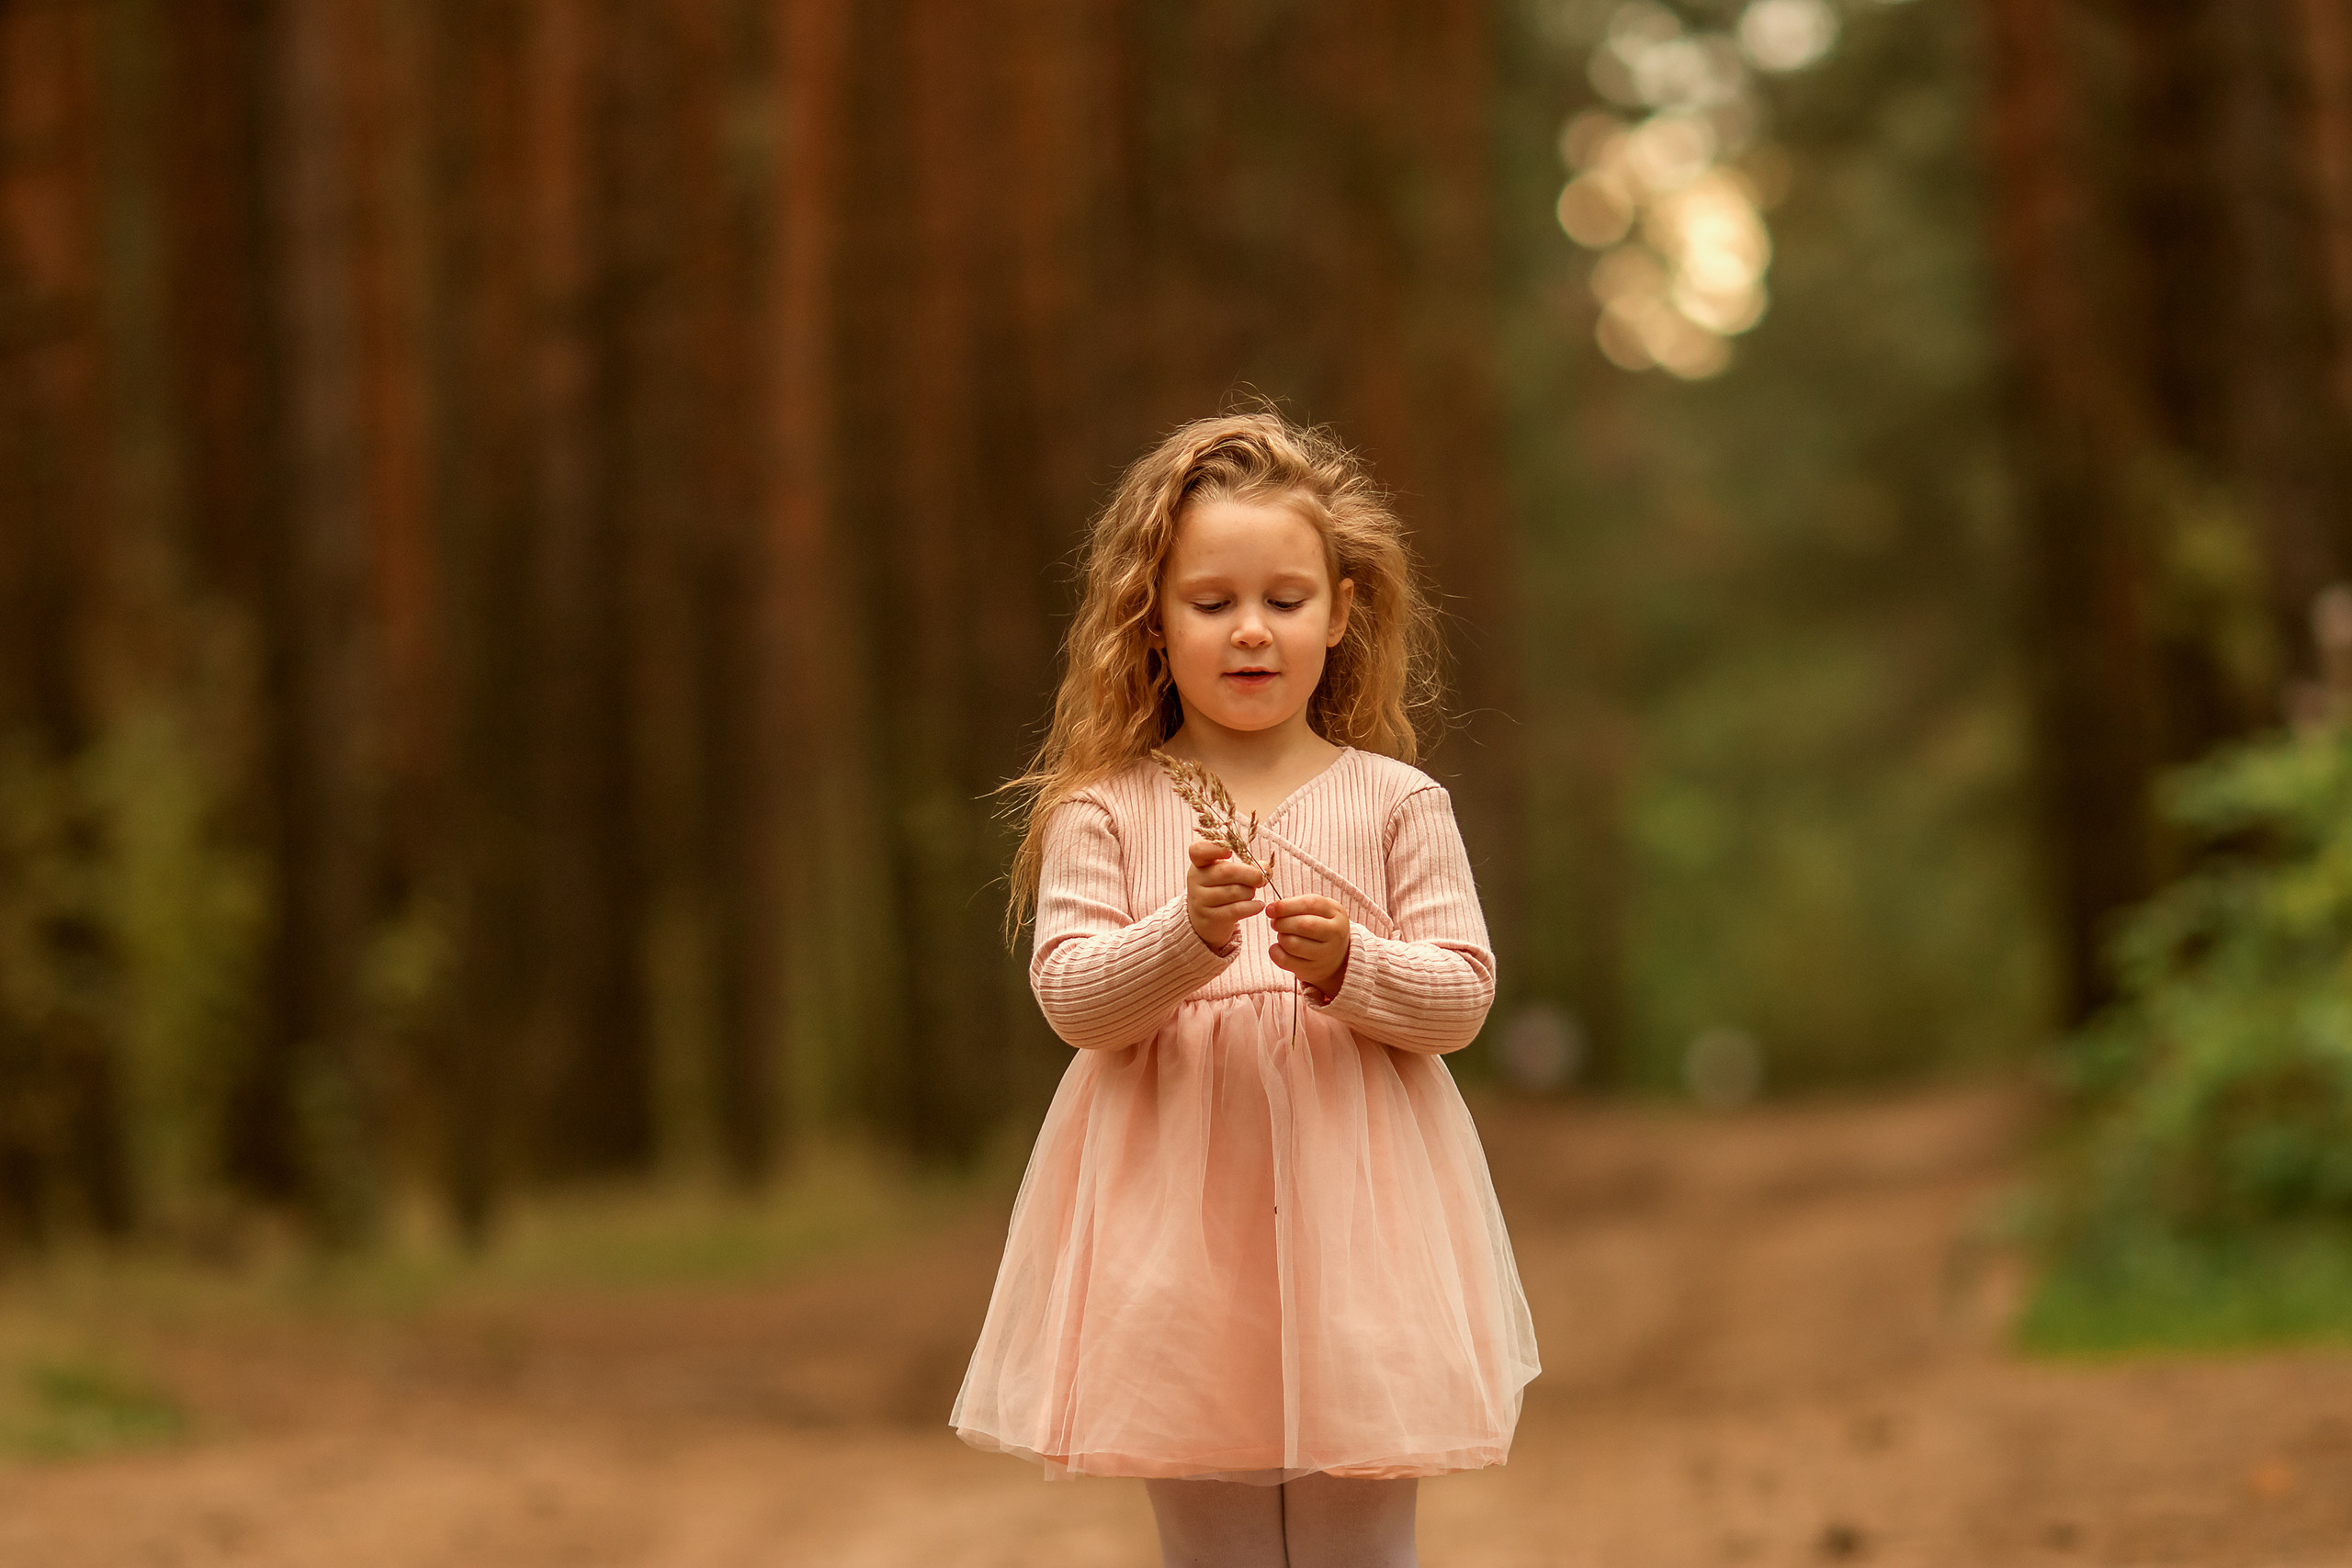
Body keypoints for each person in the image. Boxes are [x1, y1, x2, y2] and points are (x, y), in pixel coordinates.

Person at [952, 410, 1539, 1568]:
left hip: (1360, 1231)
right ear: (1154, 624)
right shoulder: (1103, 808)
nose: (1251, 632)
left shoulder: (1395, 803)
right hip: (1173, 1243)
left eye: (1285, 599)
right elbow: (1074, 1000)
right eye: (1211, 603)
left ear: (1340, 613)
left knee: (1356, 1547)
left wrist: (1348, 966)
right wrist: (1187, 936)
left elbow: (1462, 997)